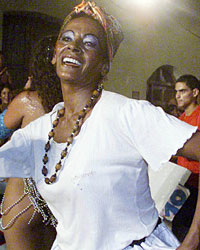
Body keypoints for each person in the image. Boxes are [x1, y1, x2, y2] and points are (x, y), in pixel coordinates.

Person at [0, 1, 199, 249]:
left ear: (105, 64)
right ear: (54, 55)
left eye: (89, 43)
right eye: (67, 38)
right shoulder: (38, 132)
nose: (74, 46)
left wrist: (192, 243)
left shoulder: (127, 114)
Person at [0, 35, 62, 249]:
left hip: (23, 197)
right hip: (60, 199)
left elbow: (1, 127)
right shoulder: (73, 107)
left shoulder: (27, 101)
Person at [172, 74, 200, 242]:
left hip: (195, 184)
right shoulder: (180, 119)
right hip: (180, 183)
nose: (178, 96)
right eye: (176, 91)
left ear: (195, 92)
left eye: (183, 91)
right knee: (176, 227)